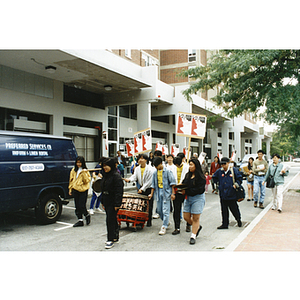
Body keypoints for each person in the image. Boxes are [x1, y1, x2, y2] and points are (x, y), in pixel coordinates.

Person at [100, 157, 124, 249]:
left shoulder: (116, 176)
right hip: (106, 199)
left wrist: (117, 204)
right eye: (104, 166)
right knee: (112, 219)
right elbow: (103, 189)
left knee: (109, 220)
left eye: (107, 166)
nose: (105, 168)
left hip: (113, 201)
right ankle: (114, 235)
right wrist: (102, 201)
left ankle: (110, 239)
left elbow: (119, 191)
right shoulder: (105, 175)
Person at [180, 158, 206, 244]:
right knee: (186, 216)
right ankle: (197, 227)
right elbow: (184, 184)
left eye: (191, 165)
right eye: (189, 165)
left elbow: (200, 190)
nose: (190, 166)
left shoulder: (201, 177)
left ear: (196, 166)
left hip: (198, 198)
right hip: (188, 198)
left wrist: (187, 191)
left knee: (196, 218)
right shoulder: (188, 175)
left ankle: (193, 236)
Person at [124, 153, 154, 226]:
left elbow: (149, 182)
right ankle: (141, 220)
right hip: (141, 187)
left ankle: (149, 220)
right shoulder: (137, 168)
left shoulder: (150, 169)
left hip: (148, 189)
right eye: (139, 158)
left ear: (146, 160)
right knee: (141, 205)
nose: (140, 160)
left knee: (149, 205)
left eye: (142, 158)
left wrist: (142, 189)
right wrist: (129, 179)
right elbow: (134, 177)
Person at [212, 157, 242, 229]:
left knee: (234, 208)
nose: (223, 166)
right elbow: (214, 178)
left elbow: (239, 178)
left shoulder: (233, 170)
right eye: (222, 164)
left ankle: (238, 219)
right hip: (223, 194)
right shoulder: (219, 171)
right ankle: (225, 224)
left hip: (231, 193)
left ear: (228, 163)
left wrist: (236, 185)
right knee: (224, 210)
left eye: (224, 164)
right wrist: (218, 185)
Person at [148, 156, 176, 235]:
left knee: (165, 210)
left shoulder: (168, 171)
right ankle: (166, 221)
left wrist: (173, 193)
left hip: (166, 192)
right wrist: (151, 194)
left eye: (157, 166)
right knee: (159, 210)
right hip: (158, 192)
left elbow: (172, 183)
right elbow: (153, 184)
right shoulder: (155, 173)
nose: (156, 167)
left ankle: (164, 226)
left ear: (161, 163)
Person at [68, 156, 91, 227]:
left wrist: (83, 173)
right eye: (77, 162)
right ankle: (80, 220)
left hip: (83, 190)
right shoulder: (73, 170)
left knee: (82, 205)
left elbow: (87, 181)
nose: (78, 164)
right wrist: (70, 189)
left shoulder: (85, 171)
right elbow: (71, 180)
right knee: (77, 206)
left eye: (80, 162)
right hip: (75, 189)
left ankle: (87, 215)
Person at [172, 156, 189, 235]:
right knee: (176, 210)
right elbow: (171, 180)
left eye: (178, 165)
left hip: (185, 191)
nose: (177, 166)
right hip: (176, 191)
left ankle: (188, 224)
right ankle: (177, 227)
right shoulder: (172, 168)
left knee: (187, 209)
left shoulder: (187, 167)